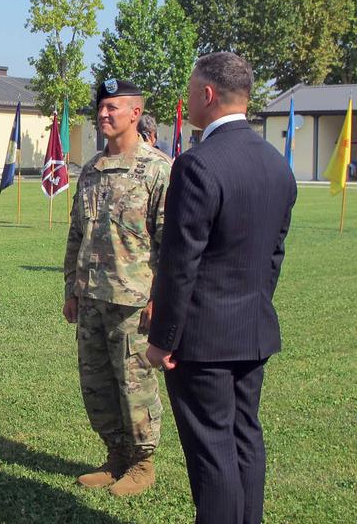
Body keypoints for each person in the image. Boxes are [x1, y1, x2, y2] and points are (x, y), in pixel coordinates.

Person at [146, 52, 297, 524]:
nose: (188, 99)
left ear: (208, 95)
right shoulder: (277, 165)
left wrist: (162, 339)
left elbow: (180, 263)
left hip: (203, 340)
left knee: (213, 452)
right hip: (251, 329)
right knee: (244, 438)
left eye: (191, 90)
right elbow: (273, 256)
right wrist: (251, 307)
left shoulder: (196, 165)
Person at [62, 79, 171, 496]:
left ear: (135, 113)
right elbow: (76, 234)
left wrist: (159, 299)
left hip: (133, 302)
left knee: (135, 386)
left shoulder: (157, 169)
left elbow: (169, 243)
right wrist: (72, 287)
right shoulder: (90, 170)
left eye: (113, 107)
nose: (104, 115)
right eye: (101, 108)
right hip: (91, 297)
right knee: (97, 384)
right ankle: (116, 455)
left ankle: (142, 464)